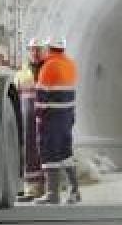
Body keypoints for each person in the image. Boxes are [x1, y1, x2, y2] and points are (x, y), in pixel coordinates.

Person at [35, 37, 79, 204]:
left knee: (49, 153)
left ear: (49, 48)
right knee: (66, 153)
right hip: (67, 117)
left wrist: (39, 117)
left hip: (52, 118)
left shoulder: (48, 66)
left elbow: (41, 97)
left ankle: (52, 194)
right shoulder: (70, 65)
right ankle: (75, 191)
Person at [14, 38, 48, 200]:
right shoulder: (23, 70)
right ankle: (32, 187)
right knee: (29, 150)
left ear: (44, 51)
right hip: (27, 116)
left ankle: (48, 186)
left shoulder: (48, 69)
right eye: (32, 49)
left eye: (38, 49)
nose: (34, 53)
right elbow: (18, 92)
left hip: (45, 115)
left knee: (46, 149)